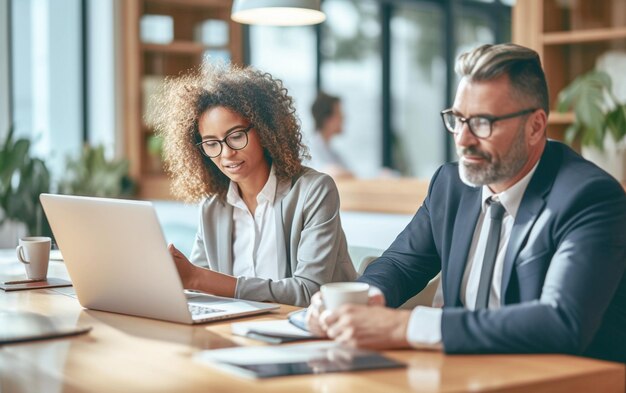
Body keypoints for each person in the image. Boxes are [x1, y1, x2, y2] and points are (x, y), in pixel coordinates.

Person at [306, 43, 626, 362]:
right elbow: (401, 264)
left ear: (535, 126)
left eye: (482, 122)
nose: (462, 138)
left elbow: (561, 323)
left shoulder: (590, 198)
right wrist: (360, 301)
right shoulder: (451, 185)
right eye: (458, 119)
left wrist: (406, 326)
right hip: (462, 373)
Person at [154, 63, 357, 307]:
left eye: (236, 136)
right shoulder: (213, 206)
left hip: (307, 332)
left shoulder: (314, 191)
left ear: (264, 129)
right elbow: (200, 294)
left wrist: (197, 278)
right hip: (237, 332)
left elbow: (308, 292)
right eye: (211, 143)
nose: (226, 153)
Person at [307, 92, 354, 179]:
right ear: (327, 119)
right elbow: (325, 173)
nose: (343, 117)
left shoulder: (332, 152)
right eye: (339, 113)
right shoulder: (310, 148)